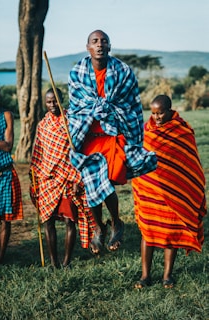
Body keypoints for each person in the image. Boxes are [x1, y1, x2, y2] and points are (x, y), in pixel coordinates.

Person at [67, 30, 157, 255]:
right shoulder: (77, 73)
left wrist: (109, 112)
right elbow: (77, 108)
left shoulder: (123, 72)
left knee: (106, 181)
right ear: (87, 47)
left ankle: (116, 221)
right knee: (91, 183)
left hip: (112, 137)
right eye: (95, 41)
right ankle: (99, 227)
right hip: (88, 137)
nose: (99, 45)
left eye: (103, 41)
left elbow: (131, 106)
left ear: (109, 46)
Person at [132, 94, 207, 288]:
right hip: (149, 190)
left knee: (170, 233)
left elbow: (189, 164)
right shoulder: (146, 130)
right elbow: (139, 158)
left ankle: (167, 275)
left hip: (173, 193)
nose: (156, 117)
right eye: (154, 113)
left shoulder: (182, 132)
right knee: (147, 233)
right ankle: (145, 275)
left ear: (170, 110)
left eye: (161, 113)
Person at [30, 88, 96, 268]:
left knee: (69, 220)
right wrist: (35, 178)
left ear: (62, 100)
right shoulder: (43, 125)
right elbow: (38, 153)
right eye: (49, 102)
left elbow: (81, 151)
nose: (52, 105)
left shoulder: (71, 122)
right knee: (48, 220)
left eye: (55, 101)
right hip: (48, 179)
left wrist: (77, 179)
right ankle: (53, 262)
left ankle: (66, 261)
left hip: (69, 178)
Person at [0, 81, 23, 264]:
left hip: (5, 174)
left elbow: (7, 146)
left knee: (5, 219)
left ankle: (0, 258)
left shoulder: (6, 115)